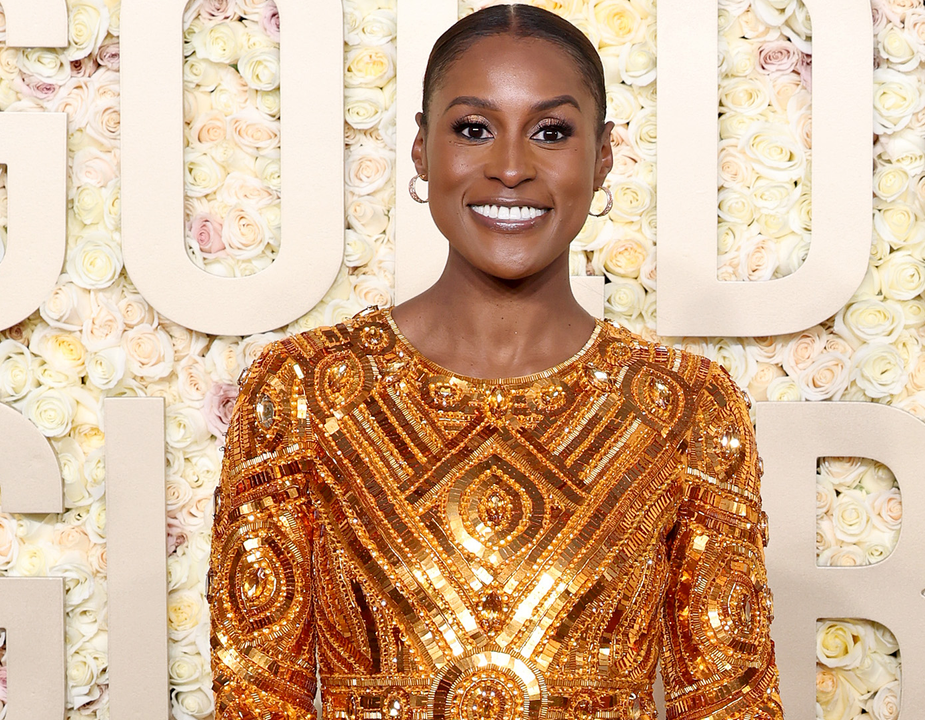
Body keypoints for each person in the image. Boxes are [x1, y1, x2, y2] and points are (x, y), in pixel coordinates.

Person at [208, 5, 783, 720]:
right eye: (473, 129)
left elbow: (732, 703)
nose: (511, 167)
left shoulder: (684, 404)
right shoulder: (304, 391)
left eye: (551, 132)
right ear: (422, 149)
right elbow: (257, 698)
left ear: (603, 156)